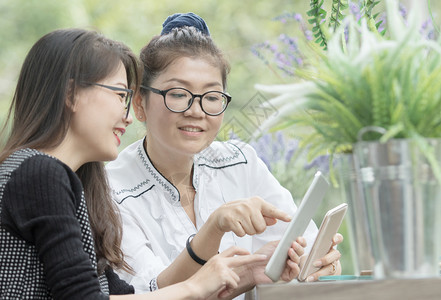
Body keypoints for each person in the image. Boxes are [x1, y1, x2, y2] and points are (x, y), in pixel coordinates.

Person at [0, 28, 277, 300]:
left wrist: (248, 273)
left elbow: (124, 293)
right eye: (121, 95)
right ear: (71, 94)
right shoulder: (41, 174)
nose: (128, 115)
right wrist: (194, 287)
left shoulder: (57, 178)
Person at [105, 12, 343, 297]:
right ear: (140, 103)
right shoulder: (110, 189)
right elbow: (146, 294)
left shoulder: (240, 161)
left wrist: (317, 264)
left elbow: (303, 243)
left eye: (212, 97)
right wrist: (215, 227)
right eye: (179, 94)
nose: (197, 111)